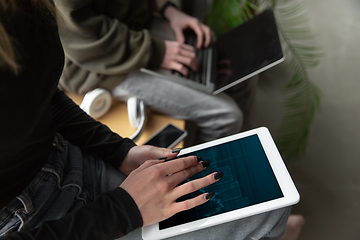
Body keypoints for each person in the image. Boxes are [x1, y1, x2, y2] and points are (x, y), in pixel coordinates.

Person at [0, 0, 291, 239]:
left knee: (268, 207)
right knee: (267, 214)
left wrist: (118, 149)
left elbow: (43, 95)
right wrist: (125, 210)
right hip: (34, 223)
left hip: (65, 157)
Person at [56, 0, 258, 143]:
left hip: (137, 27)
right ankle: (206, 191)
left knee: (239, 74)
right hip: (98, 62)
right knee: (226, 116)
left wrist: (169, 9)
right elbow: (82, 35)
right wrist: (157, 52)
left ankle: (243, 151)